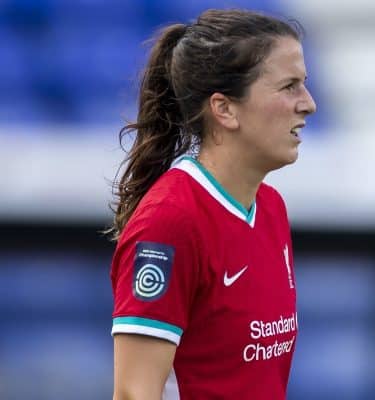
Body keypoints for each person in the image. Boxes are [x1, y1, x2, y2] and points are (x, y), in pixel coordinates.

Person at [107, 9, 316, 400]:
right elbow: (134, 393)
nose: (308, 104)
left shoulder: (270, 207)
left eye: (304, 84)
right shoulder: (169, 223)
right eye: (289, 86)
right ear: (224, 109)